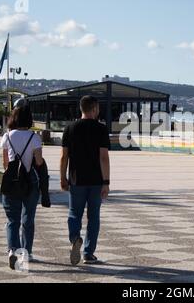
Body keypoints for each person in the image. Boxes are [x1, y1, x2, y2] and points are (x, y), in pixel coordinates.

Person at [60, 96, 110, 265]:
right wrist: (106, 182)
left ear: (82, 109)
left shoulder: (70, 128)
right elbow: (103, 157)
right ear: (94, 109)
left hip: (76, 179)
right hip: (96, 181)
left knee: (74, 213)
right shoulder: (101, 129)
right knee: (93, 217)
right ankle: (89, 253)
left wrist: (62, 178)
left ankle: (75, 238)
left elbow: (64, 156)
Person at [1, 105, 44, 269]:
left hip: (11, 182)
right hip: (30, 181)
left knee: (13, 220)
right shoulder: (34, 137)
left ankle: (13, 251)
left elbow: (6, 164)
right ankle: (27, 252)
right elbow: (39, 162)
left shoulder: (7, 136)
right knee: (28, 219)